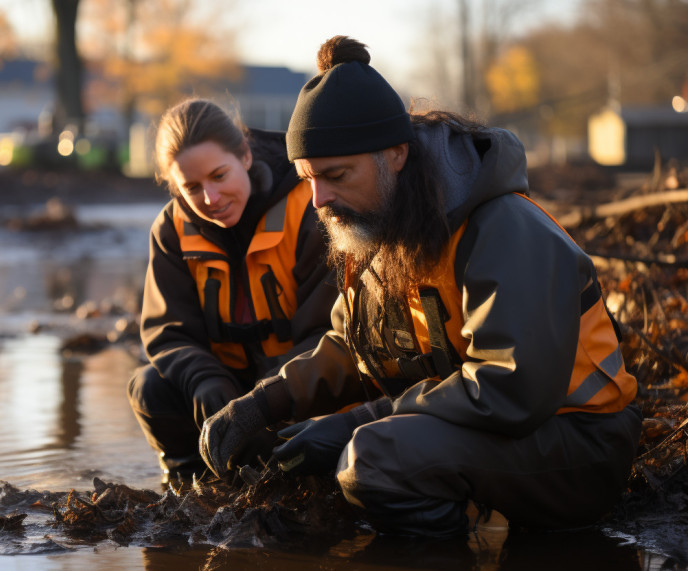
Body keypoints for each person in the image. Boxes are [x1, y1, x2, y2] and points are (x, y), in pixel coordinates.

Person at [199, 36, 641, 536]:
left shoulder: (501, 228)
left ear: (396, 155)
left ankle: (460, 546)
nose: (319, 200)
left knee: (372, 459)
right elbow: (351, 346)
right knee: (329, 449)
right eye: (307, 179)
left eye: (336, 175)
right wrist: (264, 404)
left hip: (580, 442)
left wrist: (357, 421)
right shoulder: (378, 221)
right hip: (488, 431)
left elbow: (511, 389)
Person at [128, 98, 337, 483]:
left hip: (297, 390)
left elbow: (328, 333)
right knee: (148, 387)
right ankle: (189, 483)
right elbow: (167, 334)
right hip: (221, 393)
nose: (211, 199)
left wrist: (265, 400)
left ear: (244, 154)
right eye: (191, 187)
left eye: (219, 176)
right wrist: (206, 381)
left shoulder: (310, 207)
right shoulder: (171, 230)